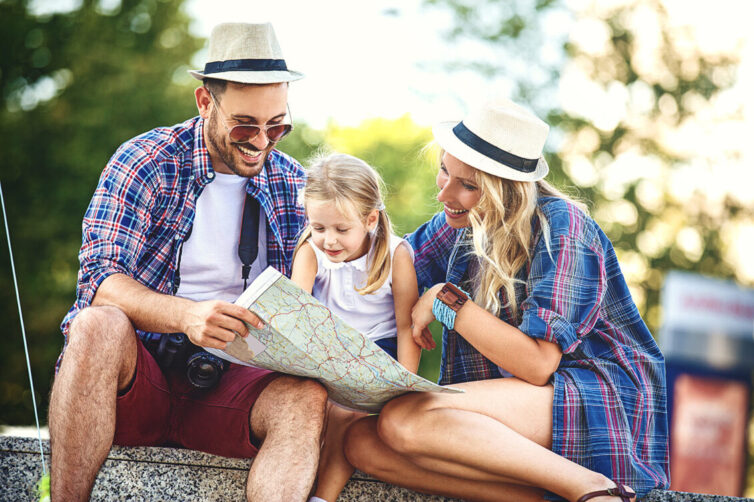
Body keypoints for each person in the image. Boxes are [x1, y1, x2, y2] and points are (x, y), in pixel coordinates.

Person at [48, 23, 328, 502]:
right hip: (140, 375)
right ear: (204, 102)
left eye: (277, 126)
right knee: (96, 326)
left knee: (306, 398)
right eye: (245, 125)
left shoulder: (292, 182)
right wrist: (188, 315)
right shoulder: (144, 161)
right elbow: (100, 281)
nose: (262, 141)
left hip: (231, 386)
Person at [342, 97, 669, 502]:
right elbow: (404, 253)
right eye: (445, 170)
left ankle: (592, 487)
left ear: (507, 192)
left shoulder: (563, 227)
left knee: (403, 420)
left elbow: (536, 364)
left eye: (468, 186)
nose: (444, 193)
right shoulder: (464, 220)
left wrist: (446, 302)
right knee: (360, 441)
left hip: (591, 401)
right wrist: (404, 374)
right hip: (510, 416)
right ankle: (548, 496)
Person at [289, 153, 421, 502]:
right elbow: (296, 316)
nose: (328, 240)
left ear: (370, 219)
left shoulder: (396, 254)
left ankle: (323, 497)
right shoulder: (310, 252)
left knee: (347, 410)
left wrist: (405, 381)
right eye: (318, 228)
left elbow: (407, 326)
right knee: (306, 402)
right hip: (326, 346)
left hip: (378, 351)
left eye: (341, 229)